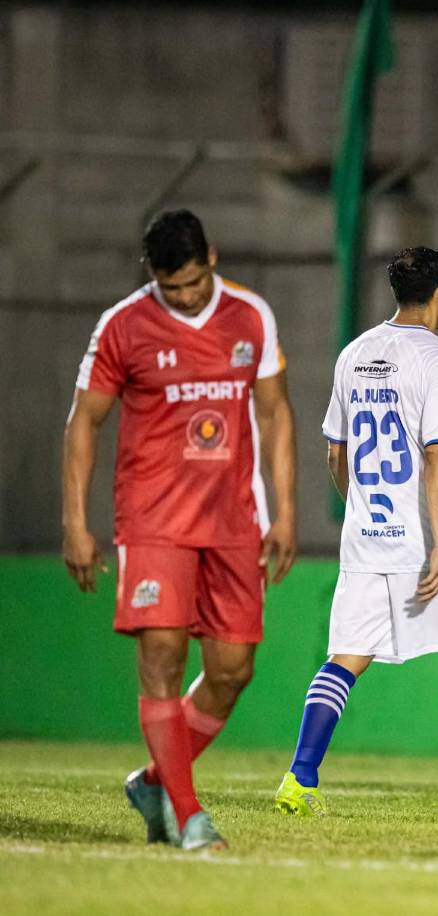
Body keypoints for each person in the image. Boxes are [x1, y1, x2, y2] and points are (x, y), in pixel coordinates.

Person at [63, 209, 297, 851]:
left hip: (233, 520)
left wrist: (286, 510)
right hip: (153, 519)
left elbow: (275, 413)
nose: (188, 296)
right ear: (152, 276)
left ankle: (152, 780)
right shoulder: (123, 325)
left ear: (212, 259)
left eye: (194, 283)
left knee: (232, 669)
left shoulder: (251, 315)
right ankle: (190, 817)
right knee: (162, 660)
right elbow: (86, 420)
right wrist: (75, 523)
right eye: (173, 288)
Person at [274, 247, 438, 819]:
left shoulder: (355, 353)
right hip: (428, 539)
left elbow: (335, 450)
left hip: (368, 537)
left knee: (344, 658)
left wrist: (365, 511)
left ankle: (300, 780)